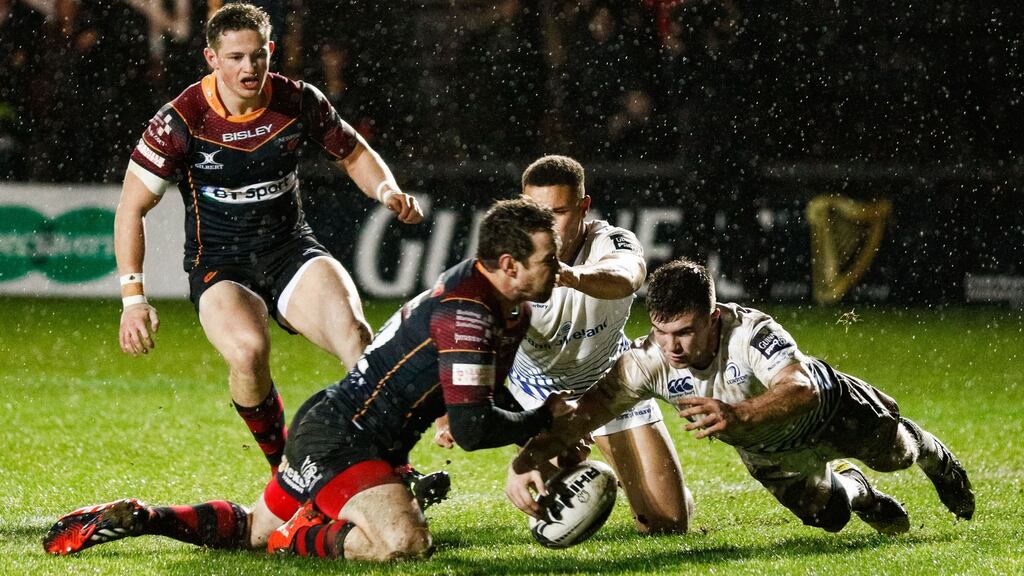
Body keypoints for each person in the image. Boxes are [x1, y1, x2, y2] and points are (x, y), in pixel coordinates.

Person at [44, 198, 572, 561]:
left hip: (344, 430)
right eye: (549, 260)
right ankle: (301, 535)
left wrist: (531, 426)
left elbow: (485, 391)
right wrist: (545, 421)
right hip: (343, 440)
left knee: (253, 529)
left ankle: (145, 517)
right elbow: (475, 429)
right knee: (403, 542)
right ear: (509, 264)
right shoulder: (468, 313)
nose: (559, 267)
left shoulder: (503, 304)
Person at [114, 3, 423, 472]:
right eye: (235, 57)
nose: (249, 68)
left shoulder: (297, 99)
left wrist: (386, 188)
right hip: (220, 264)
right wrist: (133, 298)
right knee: (247, 352)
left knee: (357, 339)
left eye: (258, 55)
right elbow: (131, 207)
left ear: (271, 51)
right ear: (211, 59)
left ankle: (391, 466)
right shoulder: (181, 120)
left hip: (291, 250)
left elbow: (353, 151)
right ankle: (287, 472)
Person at [507, 257, 975, 535]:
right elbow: (586, 413)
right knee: (828, 518)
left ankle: (934, 456)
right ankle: (857, 491)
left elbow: (801, 387)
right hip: (767, 447)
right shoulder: (648, 360)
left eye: (686, 332)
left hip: (828, 409)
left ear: (713, 317)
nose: (672, 347)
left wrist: (740, 413)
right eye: (661, 332)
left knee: (897, 454)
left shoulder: (750, 332)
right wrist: (526, 461)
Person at [436, 155, 691, 533]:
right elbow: (470, 336)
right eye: (535, 212)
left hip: (610, 379)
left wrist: (569, 275)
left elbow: (628, 276)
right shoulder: (505, 264)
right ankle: (576, 460)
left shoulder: (611, 241)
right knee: (562, 511)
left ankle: (640, 479)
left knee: (667, 522)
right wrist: (448, 406)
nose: (546, 225)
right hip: (537, 392)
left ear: (584, 208)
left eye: (558, 212)